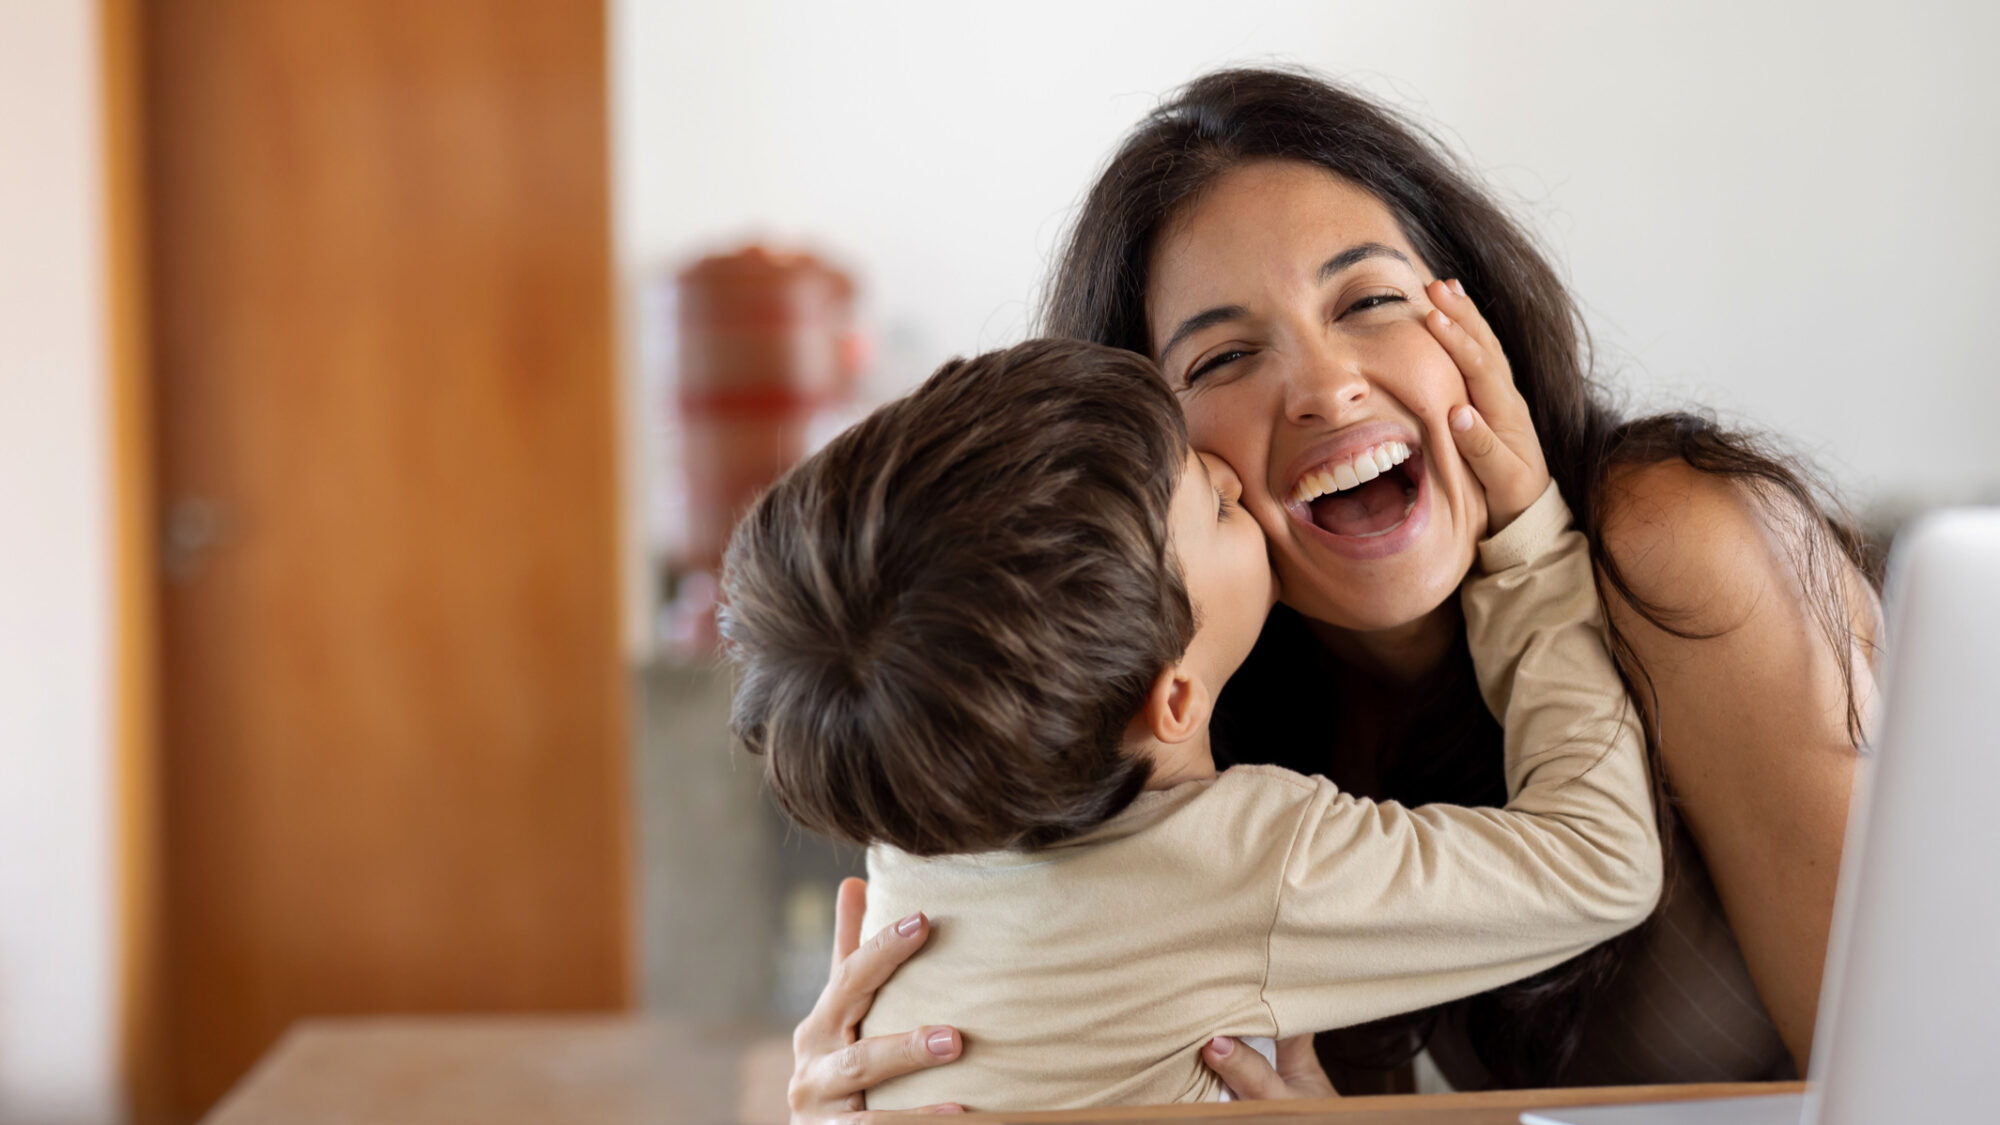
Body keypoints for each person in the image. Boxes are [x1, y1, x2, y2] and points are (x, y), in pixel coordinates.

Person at [784, 68, 1881, 1117]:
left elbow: (1925, 1096)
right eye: (1218, 361)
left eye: (1369, 298)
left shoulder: (1663, 541)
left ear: (1474, 320)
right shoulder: (1198, 749)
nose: (1324, 384)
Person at [724, 338, 1658, 1111]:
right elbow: (1602, 862)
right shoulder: (1243, 856)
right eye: (1213, 508)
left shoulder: (924, 819)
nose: (1225, 472)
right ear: (1170, 701)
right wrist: (1530, 547)